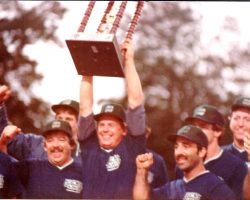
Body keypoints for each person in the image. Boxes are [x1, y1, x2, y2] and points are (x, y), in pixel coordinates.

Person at [78, 39, 146, 199]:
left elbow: (135, 101)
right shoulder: (90, 147)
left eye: (111, 124)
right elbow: (85, 107)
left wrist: (129, 61)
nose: (105, 129)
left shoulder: (132, 148)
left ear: (124, 130)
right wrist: (87, 68)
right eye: (101, 124)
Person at [133, 125, 236, 200]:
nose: (179, 152)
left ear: (201, 152)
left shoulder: (215, 187)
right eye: (176, 147)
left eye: (186, 146)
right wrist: (142, 171)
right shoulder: (171, 188)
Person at [175, 104, 248, 200]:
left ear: (217, 131)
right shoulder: (183, 164)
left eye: (202, 127)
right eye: (194, 126)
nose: (196, 131)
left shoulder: (236, 166)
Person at [0, 119, 83, 199]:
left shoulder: (84, 174)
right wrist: (3, 142)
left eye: (61, 139)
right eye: (50, 140)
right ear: (45, 146)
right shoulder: (31, 167)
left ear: (72, 145)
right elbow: (5, 167)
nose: (55, 145)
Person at [0, 90, 82, 164]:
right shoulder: (35, 144)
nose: (63, 122)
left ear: (79, 124)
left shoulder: (87, 156)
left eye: (68, 119)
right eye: (59, 118)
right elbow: (6, 136)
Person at [222, 96, 250, 166]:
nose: (240, 124)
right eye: (236, 118)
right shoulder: (220, 154)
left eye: (247, 119)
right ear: (230, 119)